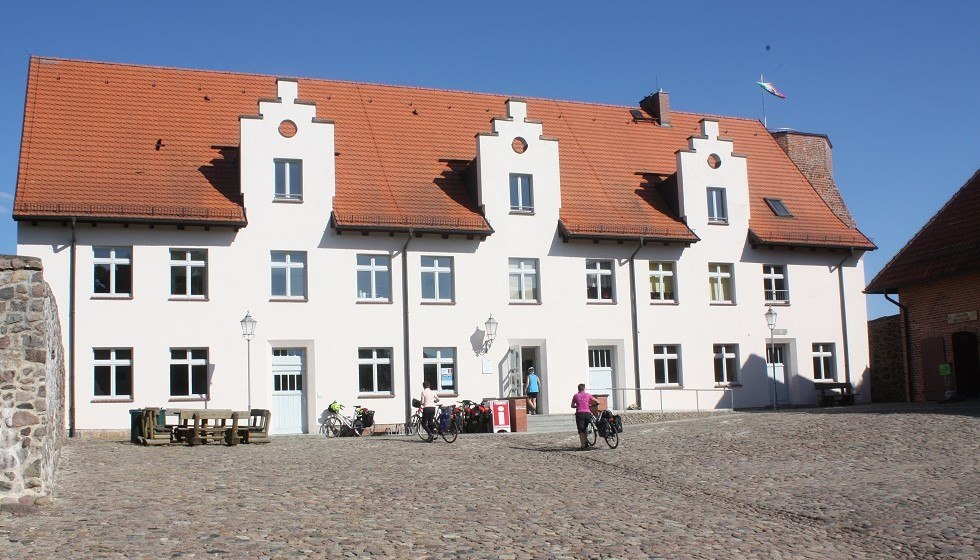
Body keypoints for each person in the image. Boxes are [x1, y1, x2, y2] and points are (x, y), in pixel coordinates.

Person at [571, 383, 599, 450]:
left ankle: (583, 446)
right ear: (584, 388)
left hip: (580, 414)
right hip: (587, 413)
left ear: (578, 389)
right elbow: (598, 401)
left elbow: (572, 405)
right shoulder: (588, 395)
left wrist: (577, 406)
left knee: (581, 431)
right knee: (585, 427)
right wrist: (593, 405)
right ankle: (586, 441)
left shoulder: (575, 396)